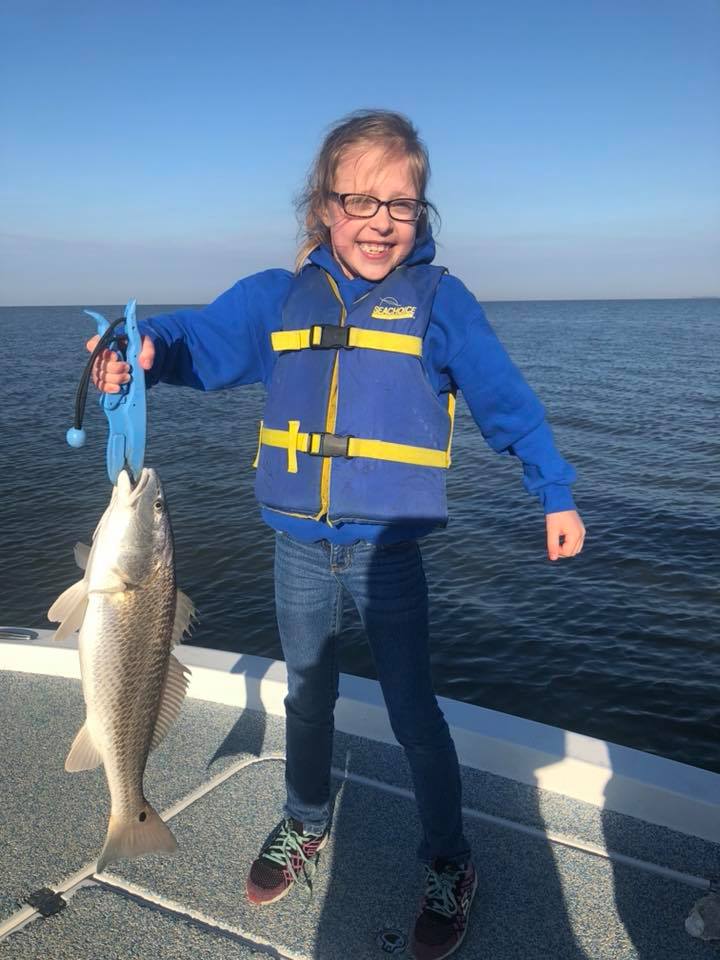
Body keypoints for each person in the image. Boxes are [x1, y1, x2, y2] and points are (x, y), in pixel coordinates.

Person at [88, 109, 585, 960]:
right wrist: (139, 348)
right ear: (323, 207)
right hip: (296, 548)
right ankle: (304, 821)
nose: (383, 221)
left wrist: (556, 492)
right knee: (307, 697)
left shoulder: (441, 301)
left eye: (404, 204)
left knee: (413, 712)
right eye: (361, 200)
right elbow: (193, 341)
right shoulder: (278, 297)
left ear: (421, 215)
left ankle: (448, 861)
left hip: (389, 550)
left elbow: (507, 400)